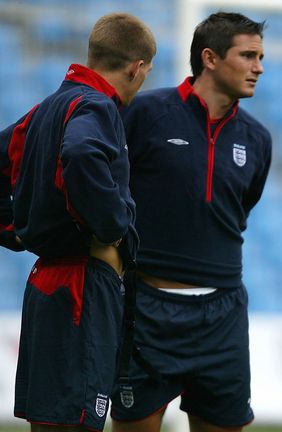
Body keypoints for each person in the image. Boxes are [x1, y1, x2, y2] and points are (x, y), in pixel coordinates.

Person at [109, 12, 271, 432]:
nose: (259, 67)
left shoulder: (257, 139)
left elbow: (239, 210)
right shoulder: (146, 114)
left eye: (261, 57)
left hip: (223, 315)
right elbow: (107, 191)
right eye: (248, 55)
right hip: (146, 310)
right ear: (211, 58)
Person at [0, 13, 155, 432]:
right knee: (78, 419)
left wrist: (11, 227)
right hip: (82, 288)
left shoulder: (48, 107)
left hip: (49, 284)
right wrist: (113, 224)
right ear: (136, 68)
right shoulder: (97, 105)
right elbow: (83, 153)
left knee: (53, 420)